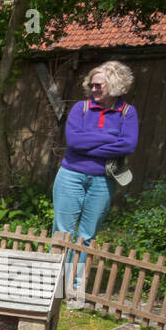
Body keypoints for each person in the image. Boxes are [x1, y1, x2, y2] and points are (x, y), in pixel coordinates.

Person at [53, 61, 138, 294]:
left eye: (98, 85)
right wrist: (110, 139)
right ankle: (55, 286)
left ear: (114, 84)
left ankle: (74, 288)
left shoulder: (127, 113)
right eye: (91, 85)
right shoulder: (80, 108)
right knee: (63, 233)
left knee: (87, 236)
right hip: (70, 176)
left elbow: (128, 145)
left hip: (103, 180)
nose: (93, 89)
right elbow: (74, 142)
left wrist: (90, 143)